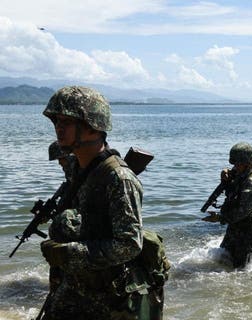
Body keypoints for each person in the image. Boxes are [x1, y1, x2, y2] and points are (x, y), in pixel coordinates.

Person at [40, 86, 160, 319]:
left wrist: (68, 254)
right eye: (56, 120)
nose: (58, 127)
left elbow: (129, 244)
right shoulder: (78, 169)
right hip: (75, 287)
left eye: (66, 120)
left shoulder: (119, 178)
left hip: (106, 299)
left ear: (92, 125)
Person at [215, 142, 252, 268]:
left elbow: (242, 212)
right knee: (222, 261)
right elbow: (232, 187)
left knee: (240, 269)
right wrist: (225, 175)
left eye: (238, 164)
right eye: (234, 164)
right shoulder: (241, 174)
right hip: (236, 229)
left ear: (247, 163)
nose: (235, 167)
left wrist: (219, 218)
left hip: (248, 234)